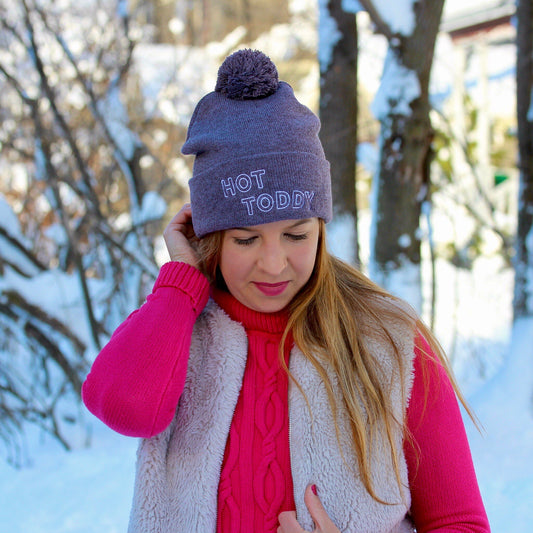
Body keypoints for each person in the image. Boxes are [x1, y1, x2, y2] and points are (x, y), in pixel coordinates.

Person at [82, 49, 490, 533]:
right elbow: (124, 406)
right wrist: (181, 281)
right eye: (246, 238)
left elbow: (460, 522)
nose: (274, 263)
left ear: (321, 226)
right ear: (208, 235)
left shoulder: (390, 344)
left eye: (296, 235)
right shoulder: (177, 332)